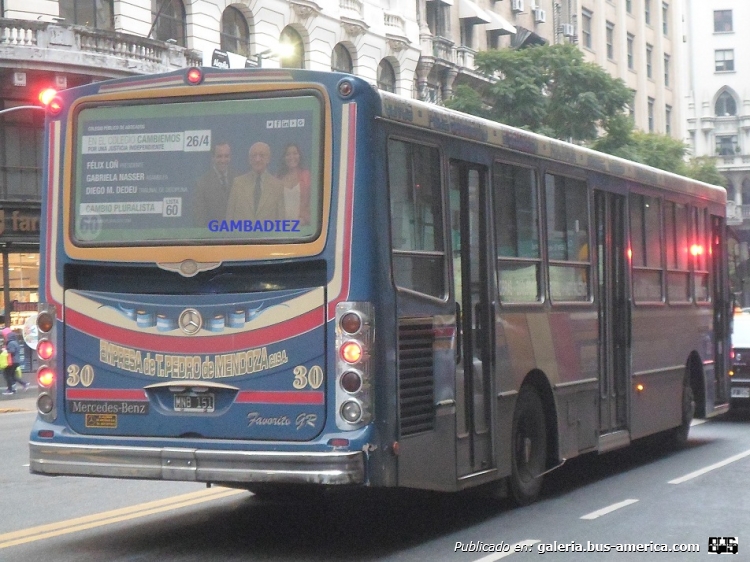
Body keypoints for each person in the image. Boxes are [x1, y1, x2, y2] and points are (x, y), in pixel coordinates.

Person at [226, 142, 285, 221]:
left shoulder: (277, 186)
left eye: (261, 155)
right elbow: (229, 218)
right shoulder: (238, 183)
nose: (257, 159)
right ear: (249, 160)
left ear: (268, 159)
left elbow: (281, 220)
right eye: (254, 156)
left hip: (267, 233)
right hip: (241, 233)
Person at [194, 141, 237, 226]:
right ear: (213, 158)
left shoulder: (238, 179)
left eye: (226, 156)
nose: (223, 160)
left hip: (238, 236)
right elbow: (200, 219)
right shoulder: (202, 184)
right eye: (219, 156)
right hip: (214, 236)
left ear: (230, 157)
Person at [277, 143, 312, 225]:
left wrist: (304, 219)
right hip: (282, 229)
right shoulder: (277, 179)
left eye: (295, 153)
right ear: (284, 158)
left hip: (302, 227)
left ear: (299, 156)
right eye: (288, 154)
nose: (291, 157)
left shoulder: (306, 176)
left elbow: (313, 203)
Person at [2, 328, 27, 395]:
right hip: (16, 361)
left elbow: (12, 351)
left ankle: (10, 389)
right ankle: (23, 384)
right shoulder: (15, 342)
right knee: (12, 375)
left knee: (8, 375)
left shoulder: (11, 343)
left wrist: (5, 350)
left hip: (12, 361)